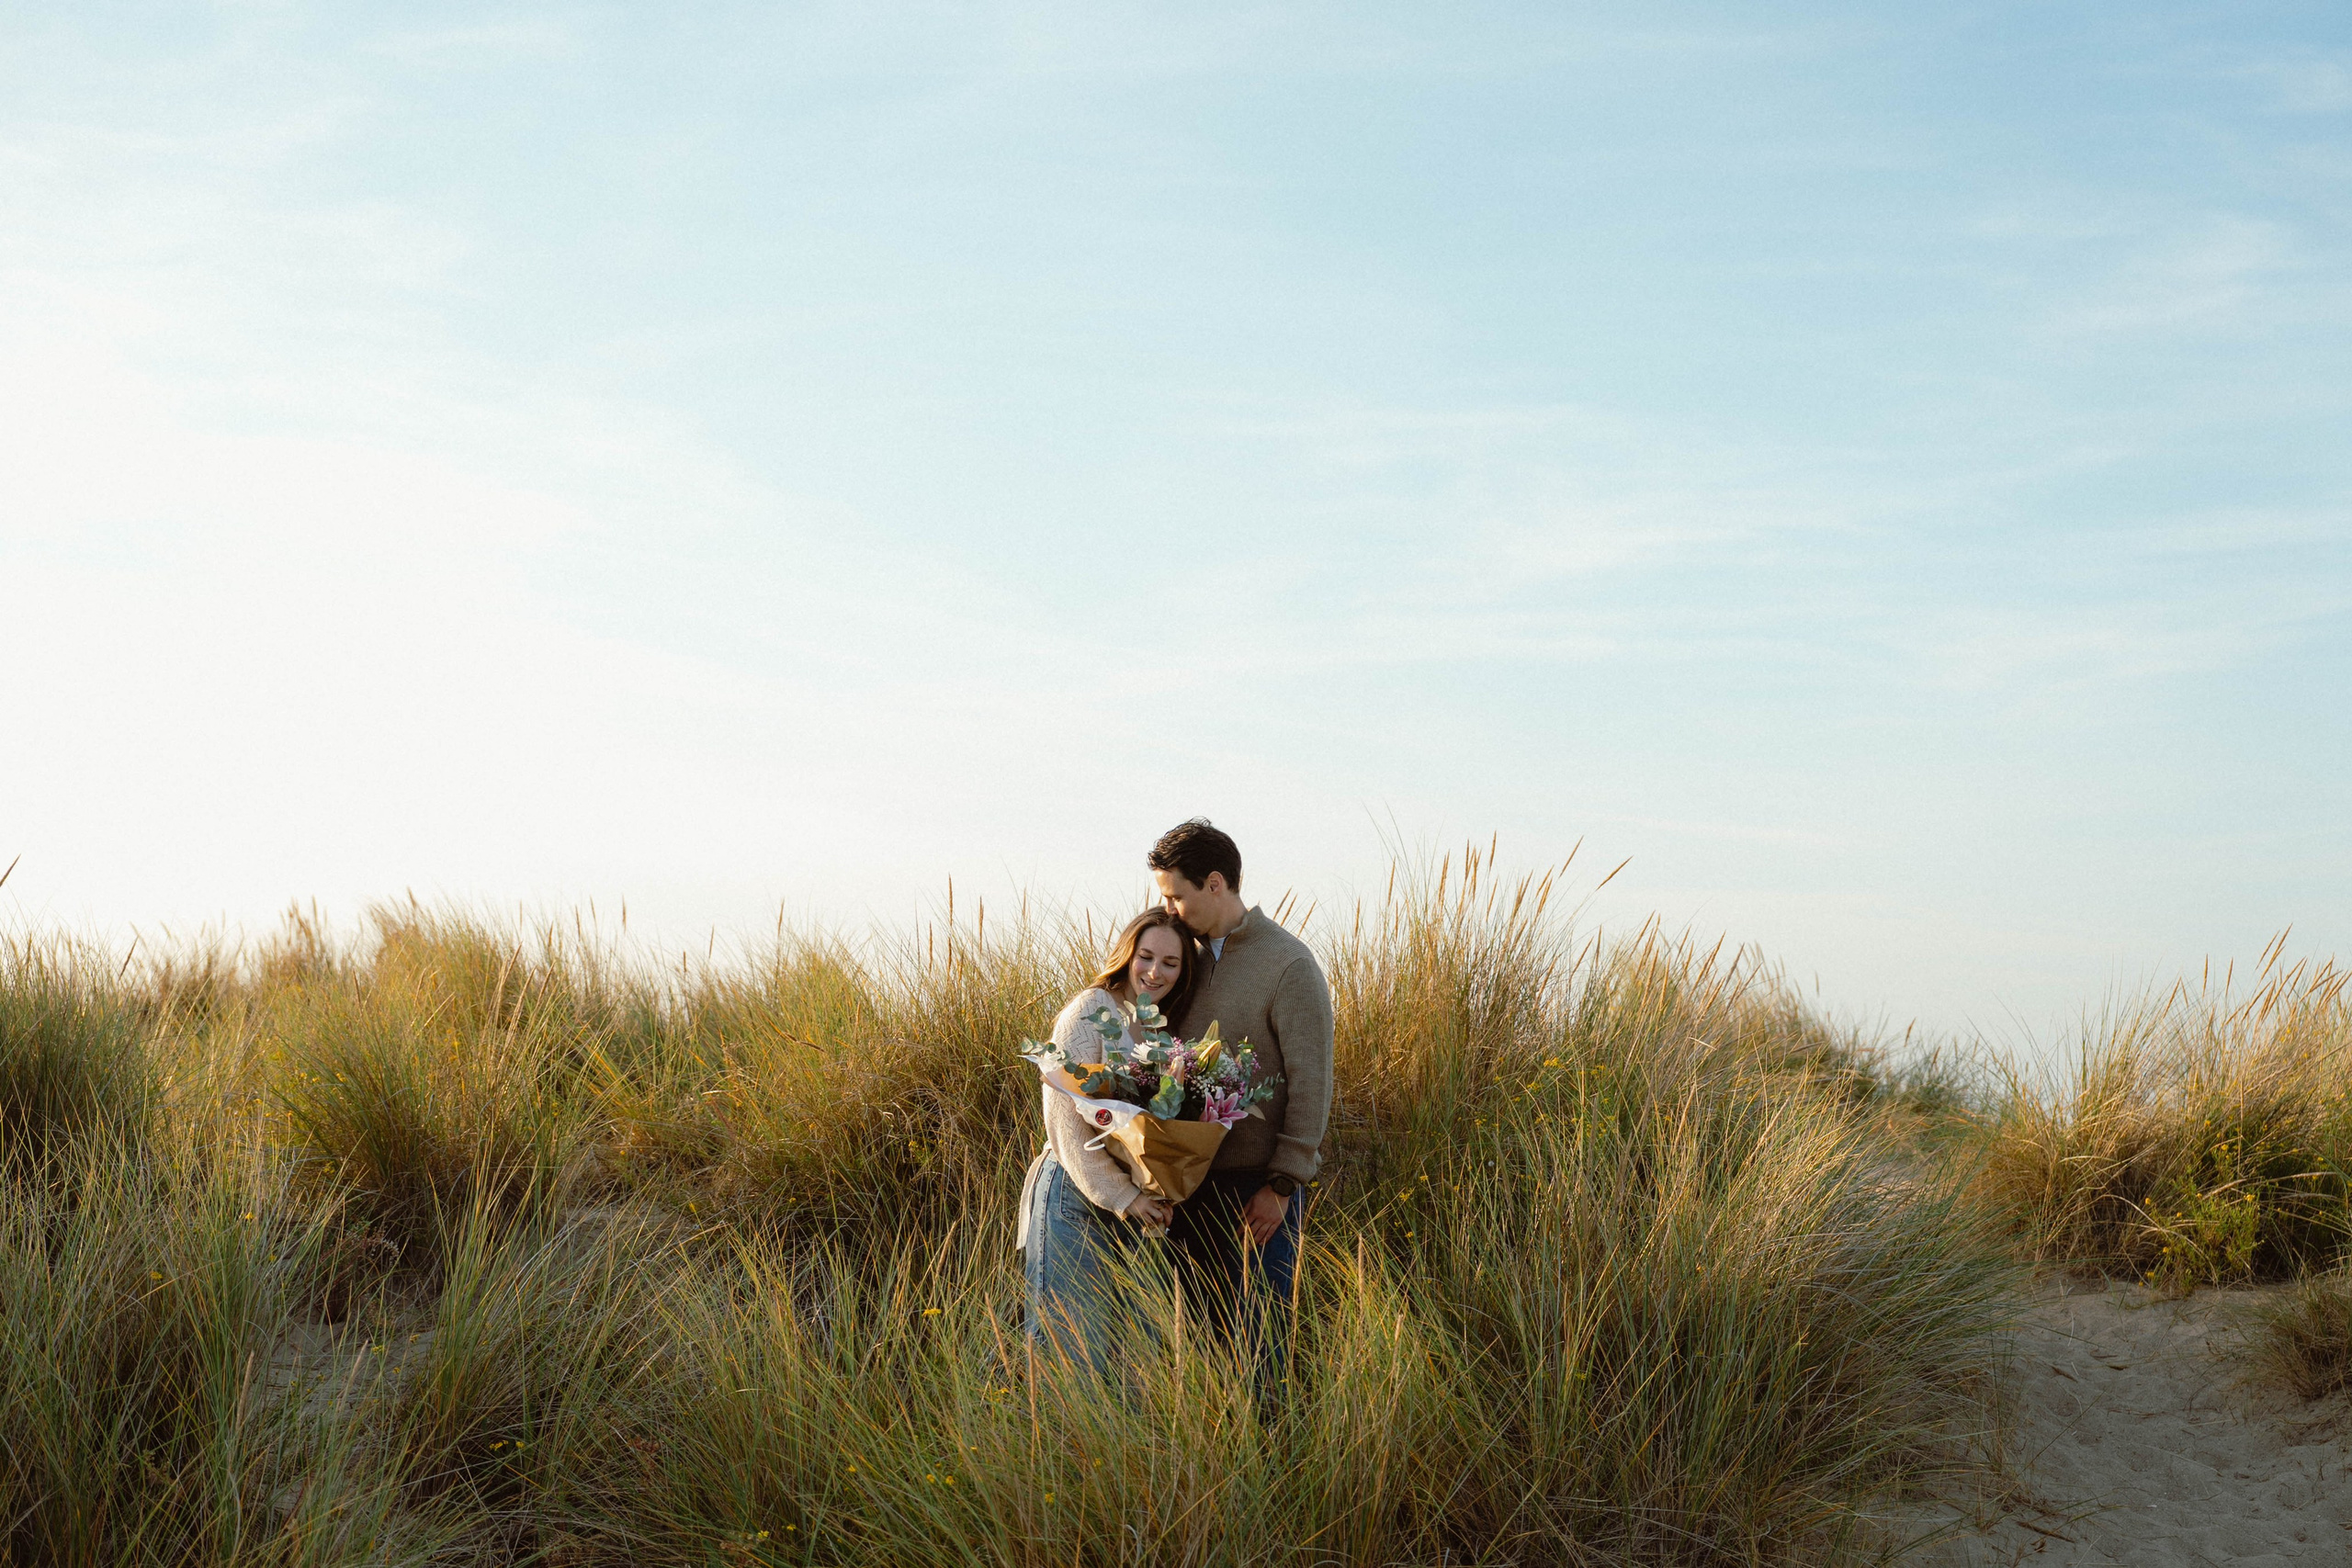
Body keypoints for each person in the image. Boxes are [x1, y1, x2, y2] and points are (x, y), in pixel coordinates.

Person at [1147, 818, 1333, 1382]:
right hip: (1189, 1186)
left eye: (1176, 896)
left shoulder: (1289, 965)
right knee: (1196, 1349)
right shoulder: (1185, 960)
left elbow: (1312, 1083)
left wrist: (1282, 1186)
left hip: (1261, 1195)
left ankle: (1274, 1462)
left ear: (1214, 884)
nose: (1170, 910)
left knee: (1262, 1349)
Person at [1018, 908, 1203, 1369]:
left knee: (1132, 1357)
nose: (1155, 972)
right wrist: (1123, 1196)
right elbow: (1063, 1121)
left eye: (1171, 963)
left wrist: (1161, 1183)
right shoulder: (1092, 1008)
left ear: (1183, 972)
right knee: (1074, 1346)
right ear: (1127, 955)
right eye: (1146, 957)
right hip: (1076, 1192)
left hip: (1136, 1204)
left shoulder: (1162, 1030)